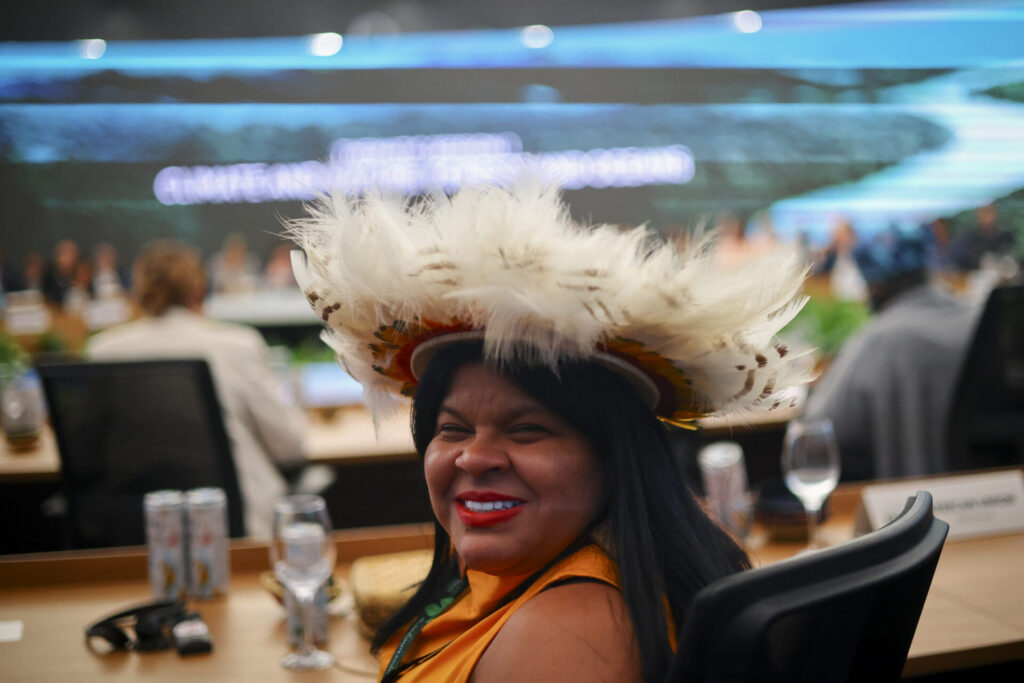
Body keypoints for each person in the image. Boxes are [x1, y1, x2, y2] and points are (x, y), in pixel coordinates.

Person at [288, 182, 814, 682]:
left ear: (614, 454)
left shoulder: (568, 632)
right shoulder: (551, 572)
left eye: (526, 430)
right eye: (453, 429)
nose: (475, 457)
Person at [87, 240, 308, 539]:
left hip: (136, 534)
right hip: (235, 534)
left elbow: (90, 453)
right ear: (199, 290)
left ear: (138, 291)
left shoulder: (103, 351)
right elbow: (290, 447)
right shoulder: (238, 346)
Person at [804, 229, 982, 480]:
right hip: (991, 489)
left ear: (875, 285)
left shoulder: (880, 338)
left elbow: (820, 426)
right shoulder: (976, 318)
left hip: (910, 495)